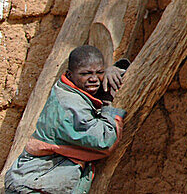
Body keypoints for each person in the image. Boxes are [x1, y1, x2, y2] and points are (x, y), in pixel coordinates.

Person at [4, 46, 126, 194]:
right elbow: (104, 141)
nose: (94, 79)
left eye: (99, 72)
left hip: (37, 183)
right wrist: (108, 106)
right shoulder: (68, 105)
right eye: (86, 74)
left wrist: (113, 69)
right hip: (32, 186)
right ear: (70, 74)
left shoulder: (71, 90)